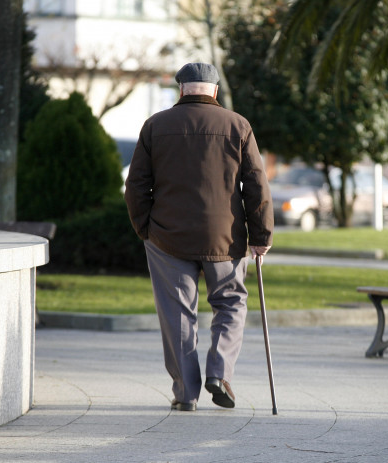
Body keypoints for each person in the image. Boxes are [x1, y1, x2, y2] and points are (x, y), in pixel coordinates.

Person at [124, 63, 274, 412]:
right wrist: (261, 235)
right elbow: (256, 184)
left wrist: (144, 228)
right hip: (225, 236)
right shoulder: (238, 125)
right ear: (215, 92)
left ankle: (186, 394)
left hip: (167, 236)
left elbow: (135, 186)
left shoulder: (155, 126)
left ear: (181, 90)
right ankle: (219, 374)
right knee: (231, 303)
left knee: (177, 313)